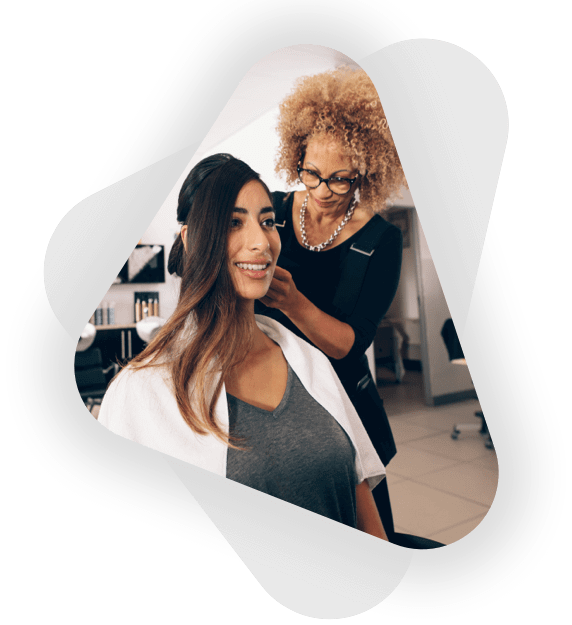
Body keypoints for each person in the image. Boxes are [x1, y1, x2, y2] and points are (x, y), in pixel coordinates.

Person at [98, 153, 388, 539]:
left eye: (267, 222)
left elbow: (362, 505)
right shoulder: (141, 390)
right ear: (191, 238)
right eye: (233, 223)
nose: (261, 242)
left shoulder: (307, 361)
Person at [254, 66, 406, 540]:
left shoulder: (381, 240)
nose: (322, 191)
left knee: (368, 528)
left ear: (364, 171)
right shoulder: (271, 213)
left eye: (341, 180)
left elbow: (350, 343)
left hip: (343, 400)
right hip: (272, 393)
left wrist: (295, 304)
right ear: (296, 156)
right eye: (312, 173)